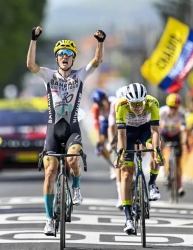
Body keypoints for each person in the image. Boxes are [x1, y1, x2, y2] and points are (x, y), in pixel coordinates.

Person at [26, 25, 106, 236]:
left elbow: (97, 61)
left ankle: (77, 186)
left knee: (72, 160)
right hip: (53, 129)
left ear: (73, 59)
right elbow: (30, 64)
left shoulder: (80, 76)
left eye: (69, 54)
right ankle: (49, 220)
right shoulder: (49, 76)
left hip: (72, 128)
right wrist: (33, 40)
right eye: (61, 54)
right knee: (50, 172)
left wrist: (100, 42)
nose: (64, 57)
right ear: (56, 58)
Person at [115, 83, 162, 235]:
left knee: (156, 150)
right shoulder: (120, 105)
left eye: (140, 103)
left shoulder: (152, 102)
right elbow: (121, 135)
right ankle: (128, 218)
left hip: (145, 130)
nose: (138, 107)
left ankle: (152, 184)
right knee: (126, 174)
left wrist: (156, 150)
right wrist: (121, 153)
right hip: (128, 134)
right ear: (127, 101)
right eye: (134, 104)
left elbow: (155, 132)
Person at [91, 89, 122, 209]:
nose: (101, 106)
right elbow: (96, 126)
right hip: (104, 123)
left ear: (106, 98)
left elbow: (113, 125)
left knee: (117, 140)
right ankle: (112, 167)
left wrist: (114, 139)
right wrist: (99, 141)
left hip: (116, 121)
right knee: (100, 146)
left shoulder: (114, 102)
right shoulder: (96, 109)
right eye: (99, 105)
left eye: (102, 103)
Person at [159, 93, 188, 197]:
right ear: (167, 106)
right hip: (164, 133)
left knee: (179, 162)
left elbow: (184, 130)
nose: (173, 110)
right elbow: (155, 127)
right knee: (159, 146)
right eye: (171, 107)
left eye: (175, 108)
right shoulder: (162, 112)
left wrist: (184, 142)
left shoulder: (181, 113)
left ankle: (180, 185)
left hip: (175, 134)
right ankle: (163, 170)